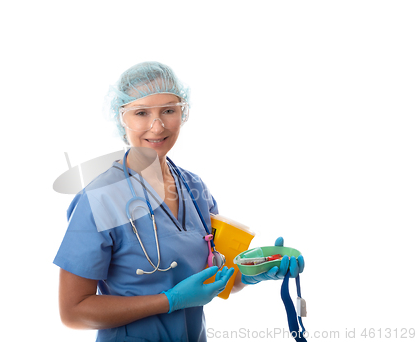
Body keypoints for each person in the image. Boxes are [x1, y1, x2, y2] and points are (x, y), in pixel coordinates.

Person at [53, 61, 305, 341]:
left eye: (169, 111)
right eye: (141, 113)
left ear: (183, 113)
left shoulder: (194, 188)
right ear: (121, 118)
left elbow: (216, 277)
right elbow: (73, 311)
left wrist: (251, 272)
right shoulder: (99, 199)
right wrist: (169, 301)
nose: (157, 125)